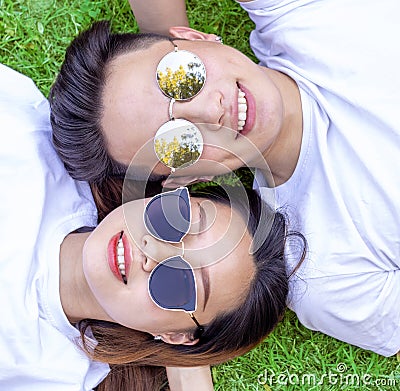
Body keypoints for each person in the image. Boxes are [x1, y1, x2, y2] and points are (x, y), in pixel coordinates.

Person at [0, 63, 305, 390]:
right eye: (179, 219)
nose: (153, 250)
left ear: (174, 336)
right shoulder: (26, 134)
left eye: (180, 283)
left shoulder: (46, 377)